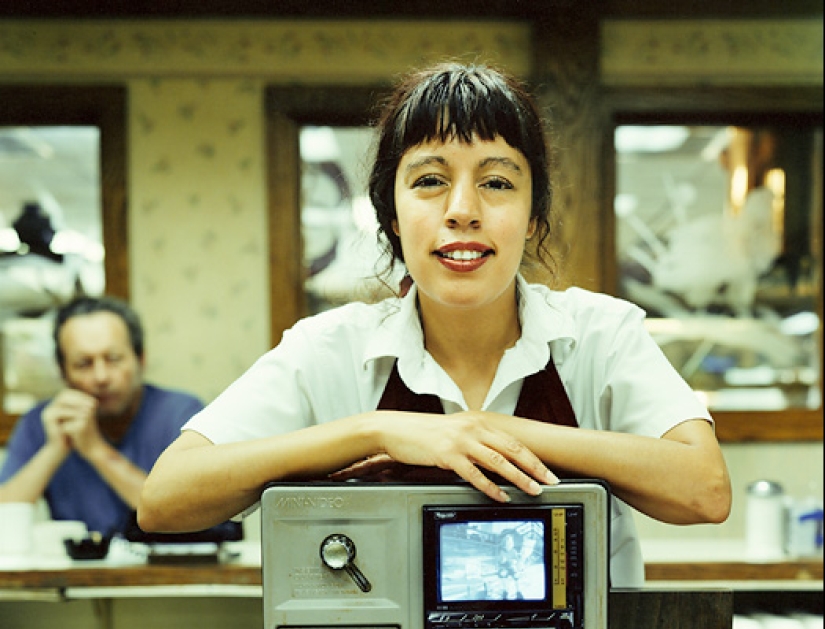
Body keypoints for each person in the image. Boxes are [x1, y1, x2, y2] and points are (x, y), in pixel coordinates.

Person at [138, 62, 731, 586]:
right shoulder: (329, 349)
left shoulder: (600, 334)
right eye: (429, 181)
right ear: (391, 215)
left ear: (532, 215)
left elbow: (704, 488)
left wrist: (482, 429)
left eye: (497, 182)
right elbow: (164, 499)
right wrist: (373, 431)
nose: (462, 211)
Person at [0, 295, 204, 536]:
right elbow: (6, 515)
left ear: (141, 360)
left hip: (174, 568)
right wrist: (54, 450)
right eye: (83, 363)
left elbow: (186, 512)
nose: (101, 377)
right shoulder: (42, 421)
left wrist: (95, 449)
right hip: (81, 572)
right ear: (63, 372)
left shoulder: (182, 413)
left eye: (114, 359)